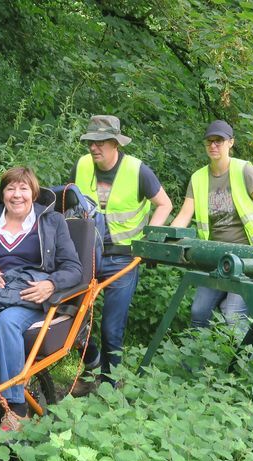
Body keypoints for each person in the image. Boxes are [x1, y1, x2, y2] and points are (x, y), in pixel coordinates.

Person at [0, 166, 82, 436]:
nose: (17, 195)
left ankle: (16, 409)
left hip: (28, 296)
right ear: (2, 193)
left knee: (7, 322)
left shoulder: (52, 223)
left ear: (34, 193)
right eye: (10, 188)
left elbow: (74, 268)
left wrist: (51, 284)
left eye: (23, 188)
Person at [70, 115, 172, 392]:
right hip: (85, 256)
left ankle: (109, 384)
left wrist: (149, 237)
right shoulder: (81, 166)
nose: (94, 148)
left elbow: (164, 204)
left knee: (111, 328)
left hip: (122, 259)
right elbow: (68, 204)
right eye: (91, 142)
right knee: (71, 317)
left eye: (101, 142)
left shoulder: (138, 170)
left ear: (115, 143)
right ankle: (92, 366)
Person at [171, 119, 253, 330]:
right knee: (199, 312)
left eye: (219, 141)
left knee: (233, 314)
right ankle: (200, 361)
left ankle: (237, 363)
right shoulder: (198, 177)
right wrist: (166, 238)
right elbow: (184, 215)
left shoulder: (243, 170)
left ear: (230, 143)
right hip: (215, 258)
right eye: (209, 141)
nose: (213, 145)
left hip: (249, 258)